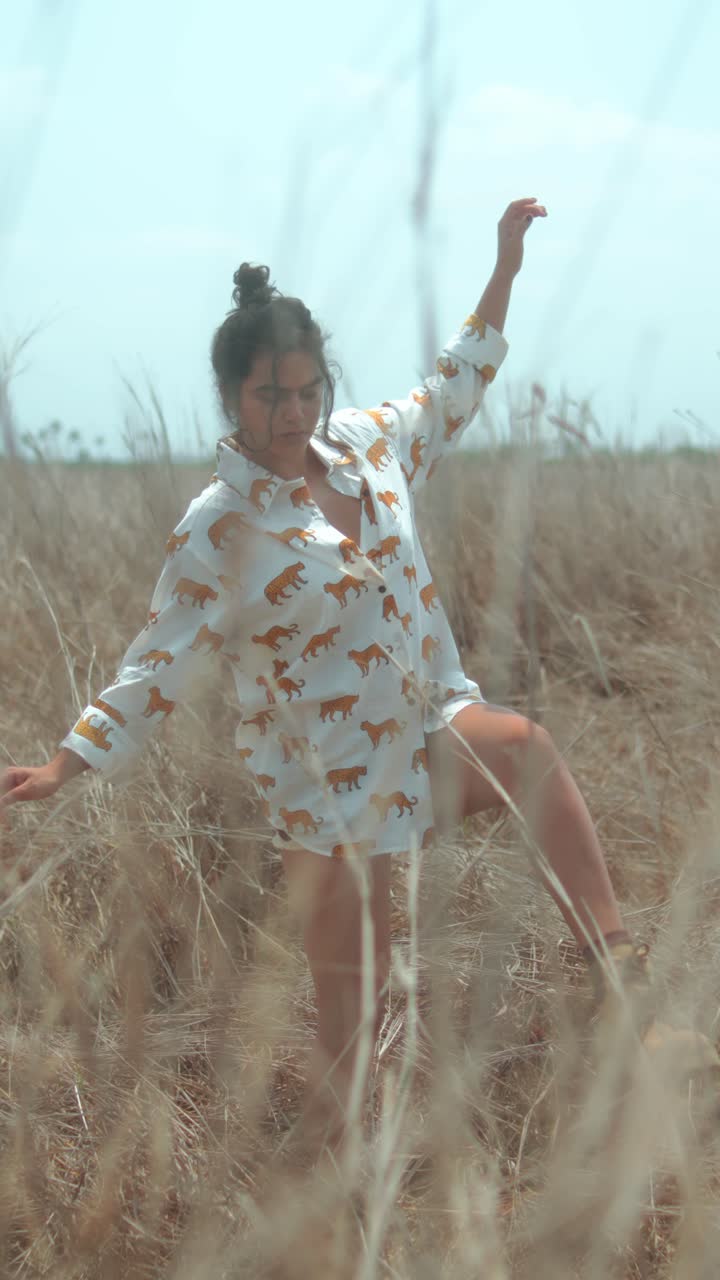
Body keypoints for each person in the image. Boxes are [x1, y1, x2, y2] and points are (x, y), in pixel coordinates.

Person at [1, 198, 716, 1161]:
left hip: (428, 726)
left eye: (306, 390)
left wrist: (504, 267)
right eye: (269, 396)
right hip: (329, 790)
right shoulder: (219, 524)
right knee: (357, 1036)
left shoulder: (373, 448)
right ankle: (311, 1216)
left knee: (530, 753)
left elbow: (456, 383)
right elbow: (153, 663)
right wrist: (62, 768)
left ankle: (634, 1010)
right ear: (230, 398)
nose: (292, 412)